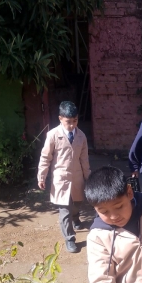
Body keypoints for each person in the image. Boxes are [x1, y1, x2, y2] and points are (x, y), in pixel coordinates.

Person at [37, 101, 90, 253]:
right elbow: (45, 157)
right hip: (60, 178)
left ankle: (76, 217)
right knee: (64, 209)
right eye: (68, 122)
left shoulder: (81, 136)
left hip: (77, 176)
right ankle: (70, 239)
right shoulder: (53, 135)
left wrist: (88, 177)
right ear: (60, 119)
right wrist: (42, 176)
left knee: (77, 203)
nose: (72, 125)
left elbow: (84, 159)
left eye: (75, 121)